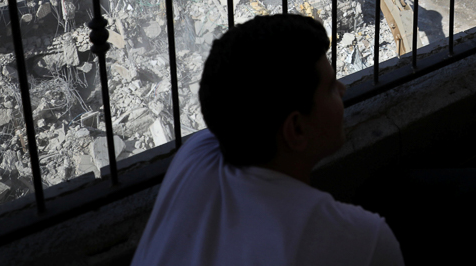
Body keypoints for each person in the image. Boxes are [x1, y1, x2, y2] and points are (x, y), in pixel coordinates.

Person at [132, 14, 403, 266]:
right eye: (331, 87)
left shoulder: (193, 155)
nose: (343, 90)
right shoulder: (361, 243)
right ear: (296, 130)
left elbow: (235, 86)